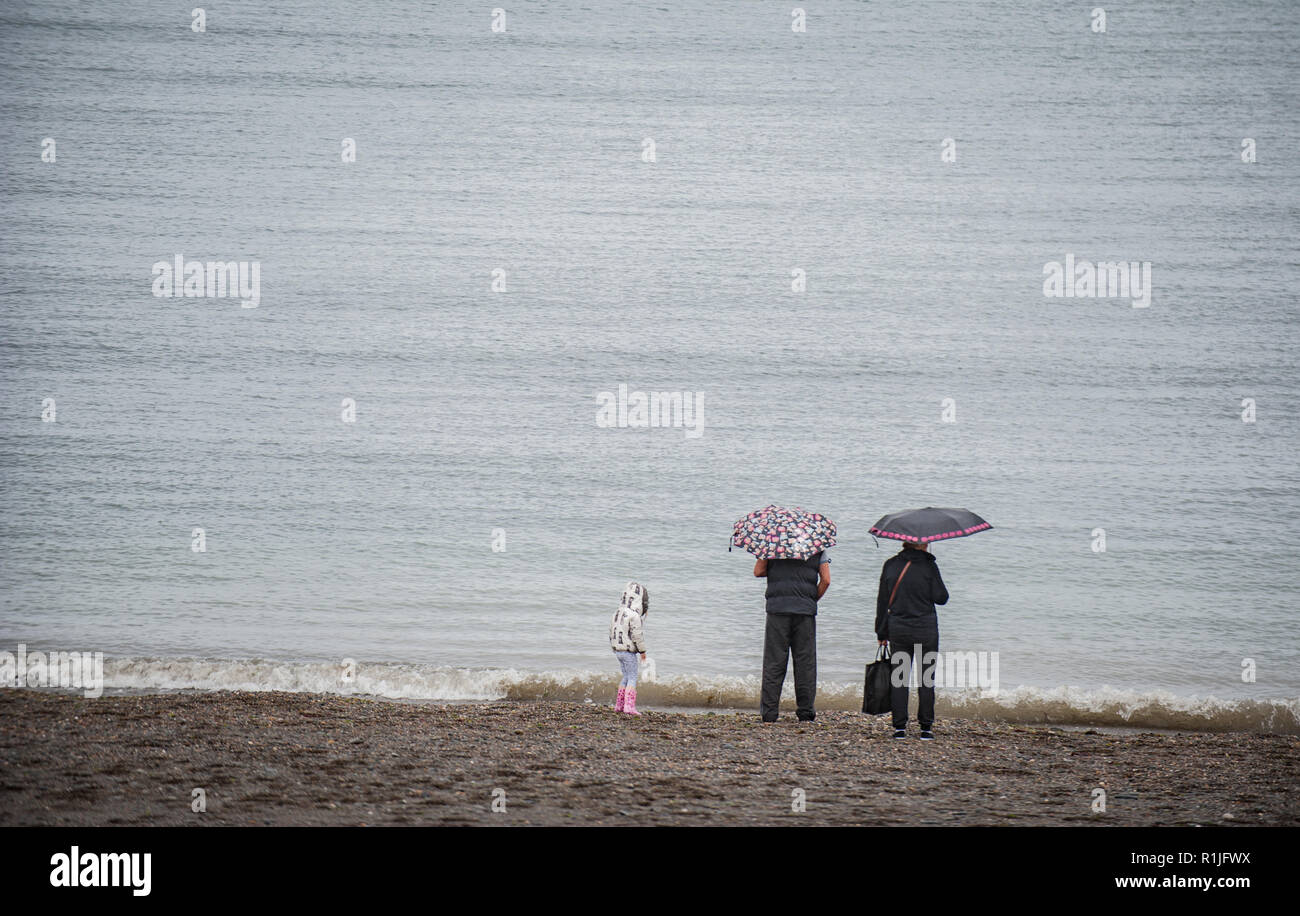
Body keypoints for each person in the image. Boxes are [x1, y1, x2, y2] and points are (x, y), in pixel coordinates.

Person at [875, 541, 949, 739]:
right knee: (926, 679)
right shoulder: (929, 566)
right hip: (926, 630)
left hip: (898, 629)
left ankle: (899, 728)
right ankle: (926, 728)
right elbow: (941, 597)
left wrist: (881, 633)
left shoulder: (891, 565)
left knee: (899, 678)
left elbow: (882, 601)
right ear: (924, 543)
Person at [754, 549, 830, 722]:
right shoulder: (817, 546)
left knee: (774, 662)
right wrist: (811, 600)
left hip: (777, 610)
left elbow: (758, 571)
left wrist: (774, 568)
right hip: (805, 611)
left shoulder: (772, 544)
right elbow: (826, 580)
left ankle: (769, 713)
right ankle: (805, 712)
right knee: (805, 663)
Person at [609, 581, 649, 716]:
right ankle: (629, 707)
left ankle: (619, 705)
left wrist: (614, 648)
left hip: (618, 651)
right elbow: (637, 635)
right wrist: (642, 651)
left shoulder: (618, 612)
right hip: (628, 652)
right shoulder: (634, 615)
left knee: (625, 676)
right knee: (632, 676)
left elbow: (612, 631)